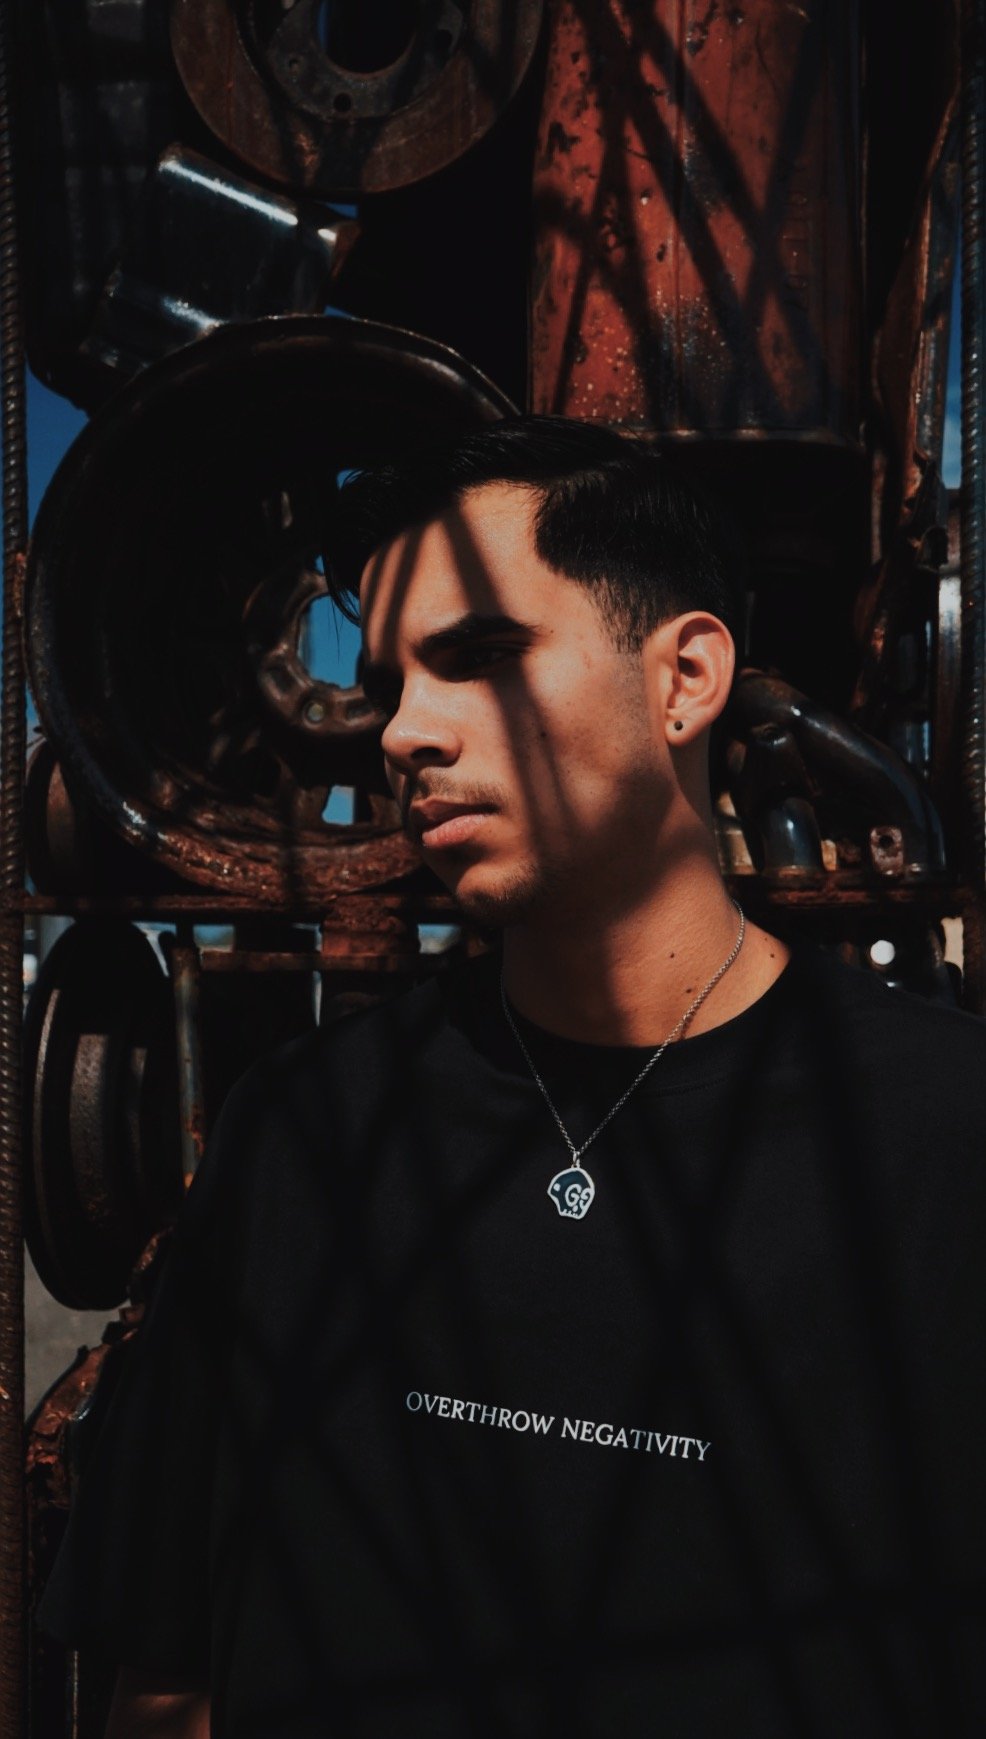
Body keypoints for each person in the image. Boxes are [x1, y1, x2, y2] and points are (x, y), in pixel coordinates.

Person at [40, 418, 986, 1737]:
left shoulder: (944, 1134)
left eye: (479, 656)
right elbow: (164, 1673)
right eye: (385, 684)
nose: (405, 735)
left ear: (685, 676)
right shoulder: (303, 1134)